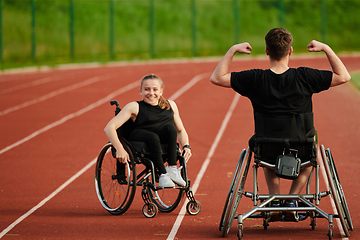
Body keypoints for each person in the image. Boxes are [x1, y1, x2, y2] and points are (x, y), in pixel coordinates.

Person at [210, 28, 350, 220]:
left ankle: (274, 199)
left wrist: (232, 50)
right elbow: (344, 76)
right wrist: (326, 48)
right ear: (290, 51)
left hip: (266, 149)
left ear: (267, 50)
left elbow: (217, 78)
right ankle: (292, 199)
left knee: (265, 145)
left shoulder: (256, 78)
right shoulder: (305, 76)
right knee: (312, 149)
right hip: (302, 148)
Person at [104, 74, 192, 188]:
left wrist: (186, 146)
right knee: (152, 136)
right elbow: (109, 128)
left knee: (171, 129)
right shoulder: (134, 107)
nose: (151, 93)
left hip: (160, 141)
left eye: (155, 89)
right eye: (146, 89)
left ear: (161, 91)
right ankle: (163, 175)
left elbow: (180, 130)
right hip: (139, 137)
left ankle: (172, 168)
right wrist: (119, 149)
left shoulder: (171, 105)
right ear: (140, 91)